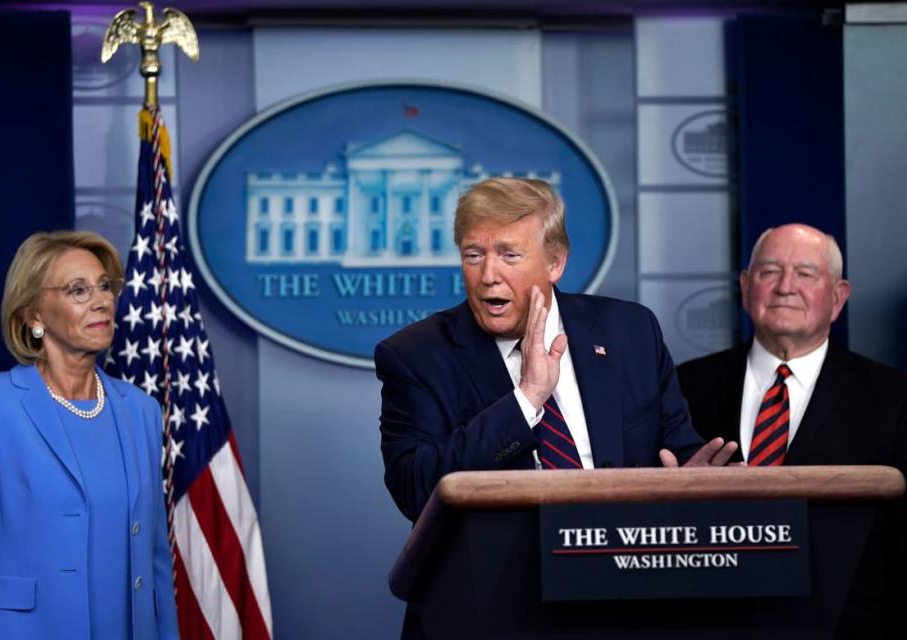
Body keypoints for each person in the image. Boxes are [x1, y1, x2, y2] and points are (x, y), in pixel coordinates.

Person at [376, 177, 737, 525]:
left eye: (509, 255)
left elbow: (678, 451)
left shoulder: (630, 332)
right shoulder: (417, 356)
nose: (488, 275)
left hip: (627, 566)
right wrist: (527, 399)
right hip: (500, 578)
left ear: (555, 263)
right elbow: (415, 489)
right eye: (474, 255)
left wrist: (693, 485)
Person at [677, 223, 907, 637]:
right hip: (710, 620)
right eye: (769, 272)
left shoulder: (895, 398)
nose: (786, 287)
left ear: (837, 298)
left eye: (805, 274)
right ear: (746, 288)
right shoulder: (683, 387)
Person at [0, 231, 179, 639]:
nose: (101, 300)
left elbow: (156, 558)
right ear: (33, 315)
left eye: (104, 286)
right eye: (78, 290)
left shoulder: (141, 409)